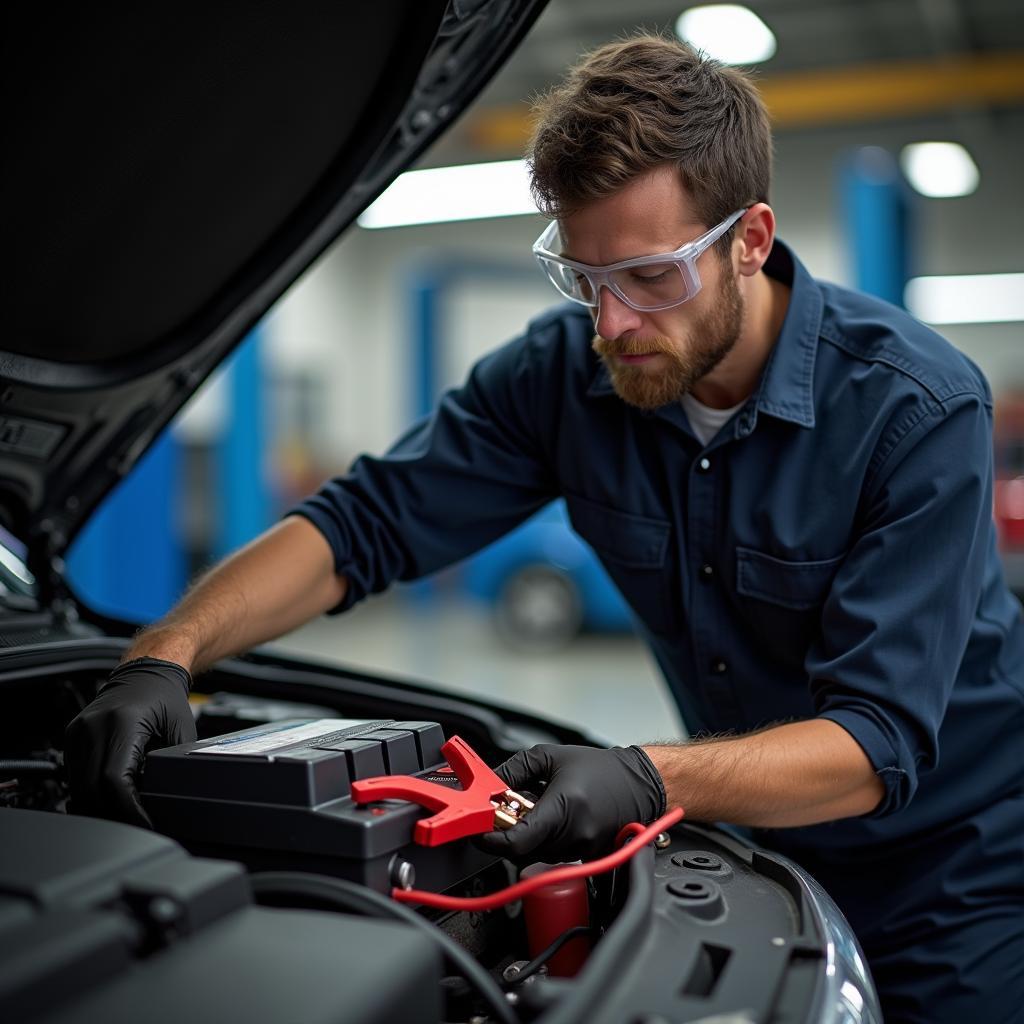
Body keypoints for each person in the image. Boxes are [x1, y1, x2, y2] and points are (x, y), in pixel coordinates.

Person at [66, 34, 1022, 1023]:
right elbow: (362, 523)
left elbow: (874, 746)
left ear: (749, 239)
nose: (611, 324)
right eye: (585, 278)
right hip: (758, 842)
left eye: (652, 276)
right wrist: (164, 654)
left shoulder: (914, 409)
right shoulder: (563, 374)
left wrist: (644, 776)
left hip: (954, 872)